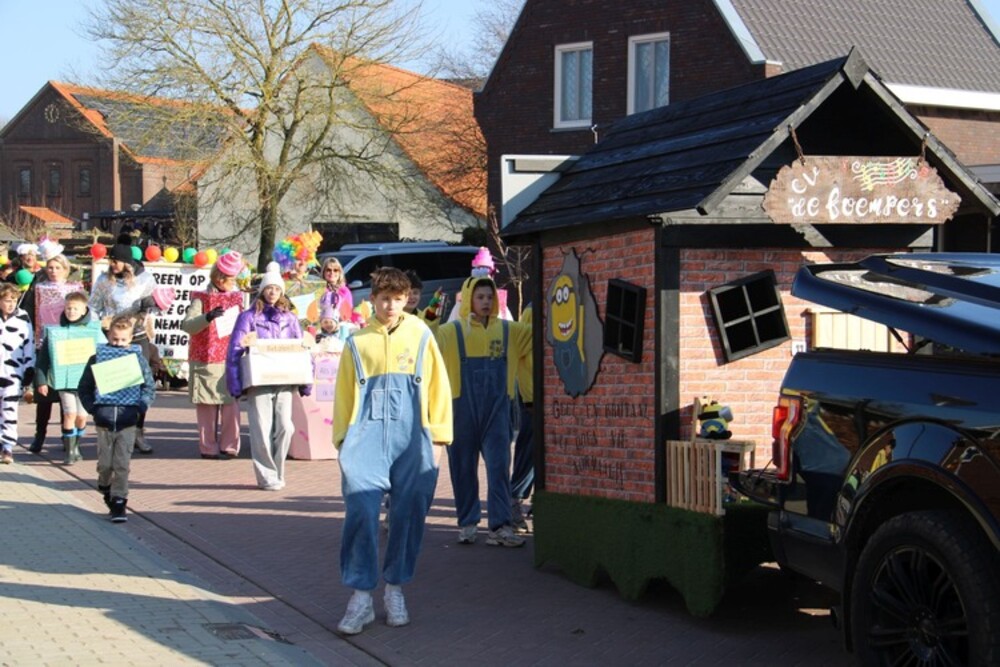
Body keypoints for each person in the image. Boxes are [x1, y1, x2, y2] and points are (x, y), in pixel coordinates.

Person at [334, 267, 452, 635]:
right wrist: (343, 442)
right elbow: (344, 393)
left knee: (409, 514)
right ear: (372, 299)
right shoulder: (357, 342)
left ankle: (395, 589)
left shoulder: (421, 335)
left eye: (397, 299)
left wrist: (438, 439)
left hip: (413, 437)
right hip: (365, 437)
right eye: (384, 298)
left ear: (406, 300)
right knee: (361, 510)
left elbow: (438, 386)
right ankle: (361, 596)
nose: (390, 306)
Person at [435, 275, 532, 547]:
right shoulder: (452, 332)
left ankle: (500, 527)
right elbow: (426, 337)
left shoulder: (510, 331)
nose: (486, 302)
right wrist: (433, 308)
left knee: (499, 467)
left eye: (490, 297)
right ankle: (467, 523)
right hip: (461, 412)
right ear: (469, 300)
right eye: (480, 297)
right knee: (463, 469)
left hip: (498, 412)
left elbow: (542, 332)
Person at [226, 262, 310, 490]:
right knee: (261, 429)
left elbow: (302, 348)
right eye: (269, 288)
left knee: (285, 427)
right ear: (262, 289)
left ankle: (278, 471)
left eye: (277, 288)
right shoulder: (248, 317)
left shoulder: (290, 318)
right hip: (259, 380)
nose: (273, 292)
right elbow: (235, 349)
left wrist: (306, 381)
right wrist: (234, 382)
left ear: (282, 291)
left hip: (285, 380)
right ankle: (267, 476)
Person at [78, 314, 156, 522]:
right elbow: (84, 387)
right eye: (114, 339)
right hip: (104, 420)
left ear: (130, 339)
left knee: (122, 464)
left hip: (127, 420)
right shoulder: (97, 358)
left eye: (123, 340)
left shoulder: (137, 359)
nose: (118, 344)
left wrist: (141, 407)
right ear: (108, 337)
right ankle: (105, 486)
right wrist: (93, 408)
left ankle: (120, 501)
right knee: (105, 465)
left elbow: (148, 386)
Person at [89, 235, 159, 454]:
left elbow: (154, 306)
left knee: (139, 383)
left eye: (116, 261)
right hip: (113, 338)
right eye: (111, 260)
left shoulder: (144, 279)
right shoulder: (104, 280)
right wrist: (101, 323)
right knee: (113, 384)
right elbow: (93, 307)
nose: (112, 264)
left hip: (137, 336)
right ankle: (111, 431)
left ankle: (138, 431)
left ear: (127, 262)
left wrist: (143, 312)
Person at [182, 250, 245, 460]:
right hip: (206, 361)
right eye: (231, 279)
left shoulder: (237, 297)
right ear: (220, 278)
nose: (234, 283)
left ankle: (230, 446)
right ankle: (208, 447)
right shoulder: (200, 298)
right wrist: (207, 317)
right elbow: (187, 326)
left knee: (231, 405)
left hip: (230, 359)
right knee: (207, 407)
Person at [34, 291, 103, 465]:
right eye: (68, 308)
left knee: (81, 417)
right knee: (69, 413)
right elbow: (43, 360)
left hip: (86, 384)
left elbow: (105, 355)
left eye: (75, 309)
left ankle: (77, 444)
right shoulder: (56, 333)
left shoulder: (94, 332)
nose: (71, 312)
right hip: (65, 383)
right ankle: (70, 451)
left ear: (84, 310)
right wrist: (41, 381)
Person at [22, 246, 76, 454]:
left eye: (57, 267)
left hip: (66, 345)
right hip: (43, 343)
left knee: (65, 393)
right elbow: (29, 312)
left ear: (65, 269)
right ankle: (40, 435)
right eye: (50, 267)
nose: (53, 271)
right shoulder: (39, 288)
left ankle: (66, 435)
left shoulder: (74, 289)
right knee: (43, 393)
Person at [0, 283, 35, 464]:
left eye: (14, 300)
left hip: (13, 372)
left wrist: (29, 369)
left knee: (9, 409)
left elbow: (29, 344)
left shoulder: (23, 317)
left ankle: (7, 446)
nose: (11, 304)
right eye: (7, 300)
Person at [510, 303, 534, 531]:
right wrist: (529, 394)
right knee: (529, 449)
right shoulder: (532, 310)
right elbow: (523, 354)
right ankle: (514, 498)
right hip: (534, 394)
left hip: (557, 393)